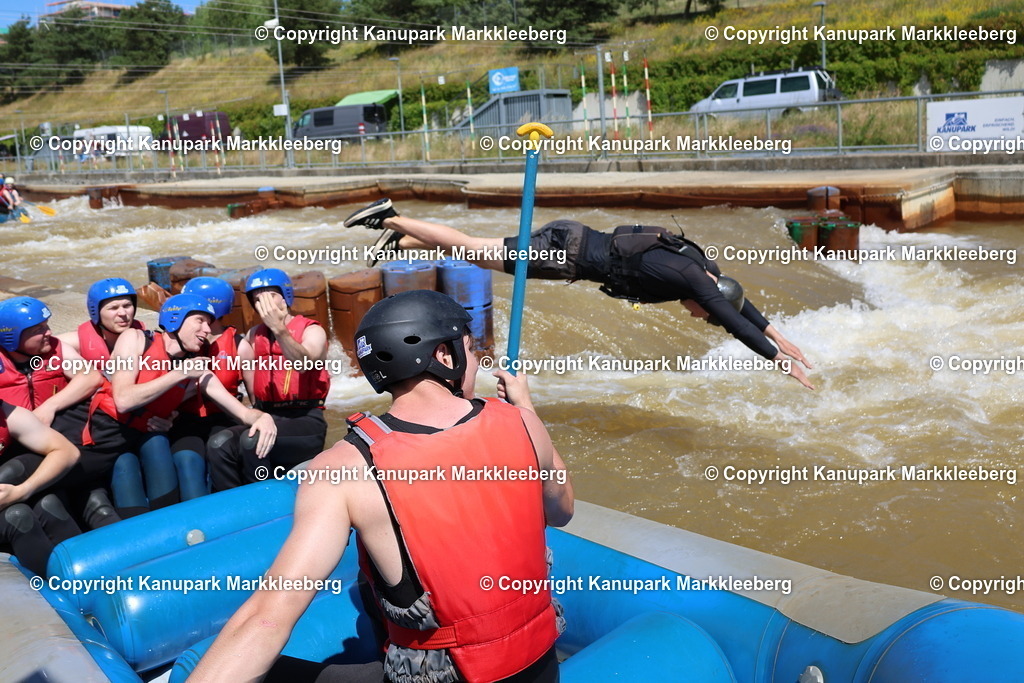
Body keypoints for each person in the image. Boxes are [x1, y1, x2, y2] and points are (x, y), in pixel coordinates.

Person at [189, 290, 574, 683]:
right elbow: (561, 511)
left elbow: (267, 618)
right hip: (538, 669)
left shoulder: (341, 467)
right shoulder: (523, 422)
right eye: (471, 350)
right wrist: (525, 409)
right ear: (445, 355)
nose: (475, 361)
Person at [344, 199, 815, 390]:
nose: (698, 317)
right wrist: (777, 359)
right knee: (472, 249)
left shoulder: (704, 269)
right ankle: (390, 216)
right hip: (564, 254)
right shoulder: (693, 281)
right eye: (702, 315)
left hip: (570, 243)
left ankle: (401, 240)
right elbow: (731, 318)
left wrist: (780, 336)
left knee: (475, 254)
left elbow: (739, 305)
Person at [84, 294, 276, 512]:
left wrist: (263, 417)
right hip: (104, 439)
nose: (207, 330)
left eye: (209, 323)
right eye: (200, 321)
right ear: (176, 319)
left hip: (143, 438)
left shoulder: (197, 369)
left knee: (156, 443)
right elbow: (123, 400)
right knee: (126, 463)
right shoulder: (135, 339)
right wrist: (180, 372)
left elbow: (241, 412)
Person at [205, 268, 329, 492]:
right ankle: (233, 504)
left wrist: (279, 329)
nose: (264, 303)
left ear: (285, 296)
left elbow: (303, 364)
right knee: (219, 443)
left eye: (270, 295)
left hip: (305, 419)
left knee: (251, 442)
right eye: (258, 298)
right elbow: (246, 385)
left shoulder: (313, 330)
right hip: (268, 415)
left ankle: (263, 501)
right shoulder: (253, 335)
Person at [0, 296, 119, 528]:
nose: (49, 332)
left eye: (47, 325)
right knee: (50, 502)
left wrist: (50, 406)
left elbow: (90, 376)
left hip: (59, 445)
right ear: (12, 337)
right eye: (39, 329)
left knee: (97, 502)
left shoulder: (55, 349)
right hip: (16, 451)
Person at [170, 277, 245, 499]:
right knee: (187, 459)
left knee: (219, 449)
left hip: (223, 417)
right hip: (184, 420)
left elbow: (253, 396)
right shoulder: (178, 341)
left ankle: (232, 506)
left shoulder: (240, 345)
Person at [0, 399, 82, 576]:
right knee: (18, 516)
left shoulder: (8, 413)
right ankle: (49, 592)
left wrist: (21, 491)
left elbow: (67, 451)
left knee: (47, 503)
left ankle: (87, 581)